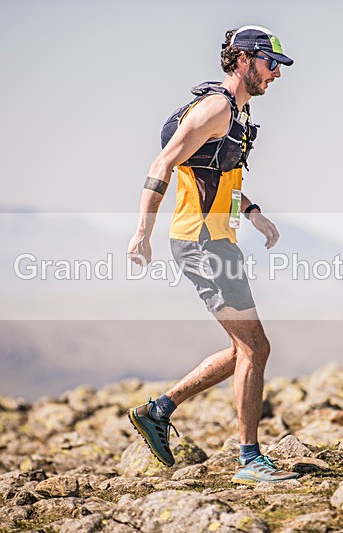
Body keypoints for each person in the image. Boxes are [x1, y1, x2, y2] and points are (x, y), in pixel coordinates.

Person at [126, 26, 298, 485]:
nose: (276, 74)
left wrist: (254, 212)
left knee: (245, 348)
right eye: (270, 63)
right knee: (255, 347)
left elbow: (218, 178)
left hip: (220, 239)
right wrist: (142, 231)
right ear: (243, 60)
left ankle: (158, 410)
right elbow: (162, 164)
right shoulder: (216, 108)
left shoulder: (236, 114)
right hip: (200, 242)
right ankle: (249, 460)